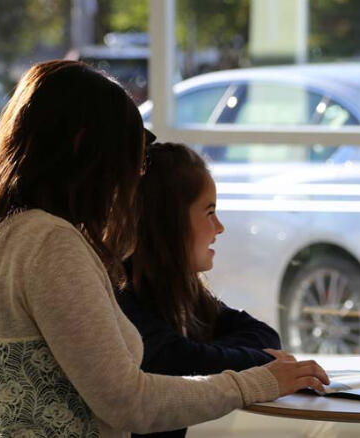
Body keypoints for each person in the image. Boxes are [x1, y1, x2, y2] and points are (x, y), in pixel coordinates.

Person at [0, 60, 328, 437]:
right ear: (85, 148)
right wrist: (255, 383)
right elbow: (128, 402)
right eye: (132, 161)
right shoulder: (50, 243)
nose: (133, 180)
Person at [118, 142, 290, 438]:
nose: (219, 227)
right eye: (209, 212)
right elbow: (173, 360)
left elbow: (264, 334)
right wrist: (264, 366)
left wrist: (206, 356)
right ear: (170, 222)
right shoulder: (121, 293)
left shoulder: (185, 291)